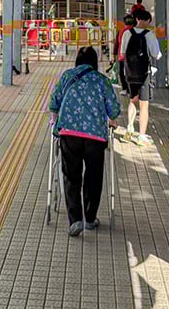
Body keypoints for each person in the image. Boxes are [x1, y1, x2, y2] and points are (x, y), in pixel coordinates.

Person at [49, 46, 120, 237]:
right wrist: (111, 119)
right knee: (93, 176)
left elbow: (54, 101)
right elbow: (114, 110)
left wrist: (55, 117)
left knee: (71, 176)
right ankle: (89, 218)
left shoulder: (67, 76)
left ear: (77, 61)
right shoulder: (102, 80)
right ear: (94, 62)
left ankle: (75, 220)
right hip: (95, 136)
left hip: (69, 133)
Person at [118, 7, 161, 146]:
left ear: (136, 19)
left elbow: (122, 53)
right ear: (147, 21)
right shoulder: (150, 35)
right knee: (144, 104)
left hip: (130, 73)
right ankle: (141, 136)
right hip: (143, 74)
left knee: (133, 100)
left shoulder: (127, 33)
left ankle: (129, 126)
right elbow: (156, 54)